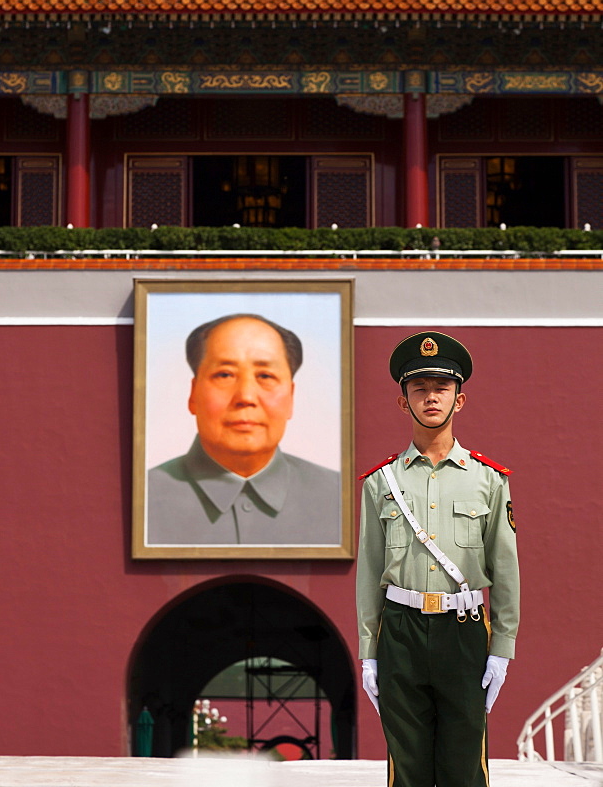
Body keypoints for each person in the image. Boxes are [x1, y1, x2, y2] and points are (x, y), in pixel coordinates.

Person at [356, 331, 519, 787]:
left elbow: (505, 571)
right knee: (405, 766)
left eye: (441, 388)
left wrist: (502, 649)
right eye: (419, 389)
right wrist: (369, 653)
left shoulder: (489, 480)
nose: (431, 397)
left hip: (464, 630)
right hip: (401, 630)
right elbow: (369, 572)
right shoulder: (379, 483)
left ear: (459, 400)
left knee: (465, 764)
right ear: (403, 402)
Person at [147, 313, 340, 545]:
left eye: (265, 376)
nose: (246, 397)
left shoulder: (340, 497)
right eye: (225, 375)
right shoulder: (143, 497)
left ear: (291, 397)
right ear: (193, 394)